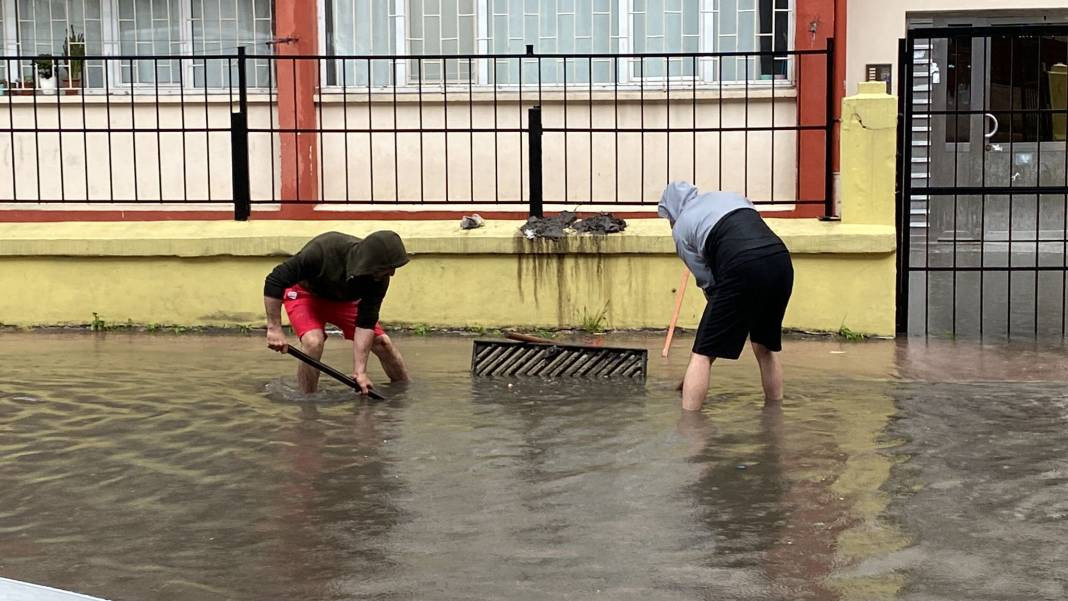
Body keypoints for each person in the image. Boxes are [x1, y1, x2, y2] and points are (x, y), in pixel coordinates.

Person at [658, 181, 794, 411]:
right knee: (764, 347)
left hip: (742, 265)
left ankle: (690, 430)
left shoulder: (681, 228)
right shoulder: (728, 197)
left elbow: (709, 283)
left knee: (701, 354)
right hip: (780, 261)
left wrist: (713, 335)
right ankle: (774, 417)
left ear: (672, 210)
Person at [263, 230, 411, 394]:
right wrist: (274, 329)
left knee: (383, 343)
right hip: (306, 294)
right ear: (371, 262)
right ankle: (307, 403)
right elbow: (275, 280)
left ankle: (404, 394)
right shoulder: (322, 251)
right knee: (313, 342)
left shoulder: (379, 279)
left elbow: (365, 322)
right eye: (389, 268)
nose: (392, 273)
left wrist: (360, 372)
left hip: (343, 301)